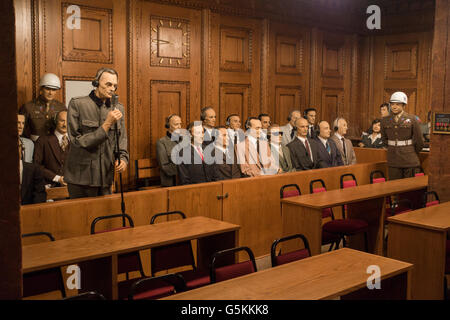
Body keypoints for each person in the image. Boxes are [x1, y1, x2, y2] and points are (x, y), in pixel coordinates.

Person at [64, 68, 129, 199]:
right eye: (108, 84)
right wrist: (106, 124)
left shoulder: (118, 107)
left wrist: (123, 158)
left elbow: (121, 138)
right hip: (81, 177)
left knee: (104, 218)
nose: (112, 89)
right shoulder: (77, 104)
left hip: (105, 176)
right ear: (96, 83)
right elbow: (77, 141)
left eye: (115, 85)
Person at [380, 92, 424, 180]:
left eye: (397, 104)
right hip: (393, 160)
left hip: (409, 159)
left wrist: (410, 151)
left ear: (404, 105)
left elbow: (419, 141)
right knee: (394, 188)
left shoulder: (412, 119)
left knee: (409, 189)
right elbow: (384, 140)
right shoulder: (385, 120)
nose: (394, 106)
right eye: (392, 104)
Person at [19, 73, 66, 141]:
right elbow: (21, 131)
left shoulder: (61, 107)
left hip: (54, 147)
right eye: (47, 89)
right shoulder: (28, 107)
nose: (51, 93)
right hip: (34, 145)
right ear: (41, 89)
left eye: (53, 90)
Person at [33, 110, 70, 186]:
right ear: (56, 121)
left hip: (71, 188)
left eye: (68, 121)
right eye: (62, 121)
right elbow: (36, 165)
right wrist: (57, 178)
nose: (65, 124)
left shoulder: (75, 141)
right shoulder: (43, 140)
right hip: (49, 186)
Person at [155, 114, 182, 187]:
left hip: (186, 180)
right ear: (168, 126)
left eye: (180, 124)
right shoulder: (161, 142)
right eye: (176, 124)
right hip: (171, 182)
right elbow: (165, 167)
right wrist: (183, 170)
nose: (179, 127)